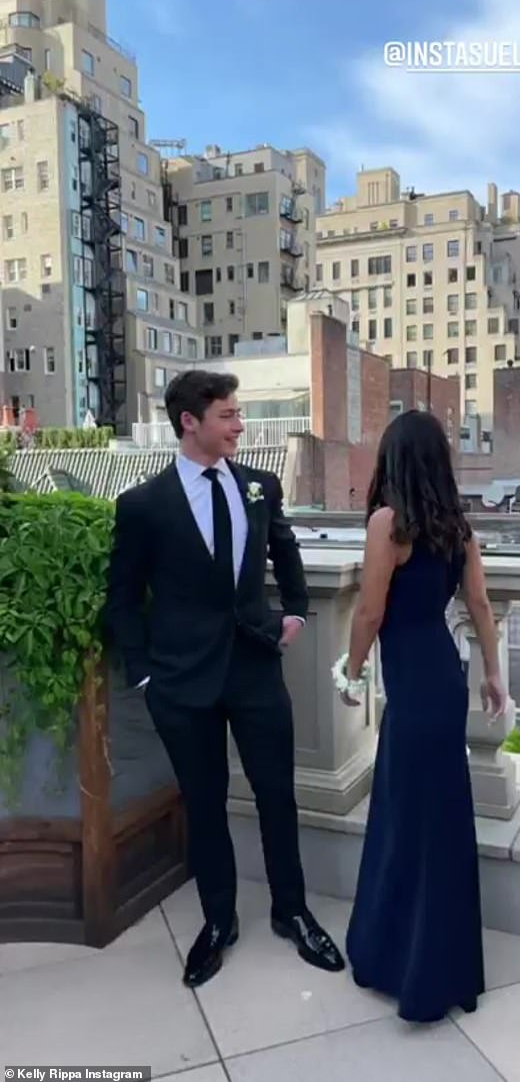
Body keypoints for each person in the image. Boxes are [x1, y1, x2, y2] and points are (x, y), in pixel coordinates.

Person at [105, 370, 344, 987]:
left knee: (276, 796)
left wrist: (294, 611)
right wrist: (143, 678)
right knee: (205, 806)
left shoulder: (260, 487)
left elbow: (285, 551)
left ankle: (292, 912)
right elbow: (124, 598)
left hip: (256, 668)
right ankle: (218, 922)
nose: (240, 425)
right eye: (229, 416)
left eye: (239, 415)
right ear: (191, 422)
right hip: (181, 683)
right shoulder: (143, 504)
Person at [336, 409, 506, 1023]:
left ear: (393, 460)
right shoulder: (457, 529)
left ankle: (399, 960)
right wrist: (493, 673)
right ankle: (445, 966)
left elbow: (370, 614)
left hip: (411, 684)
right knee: (441, 818)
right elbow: (480, 604)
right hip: (445, 674)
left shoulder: (388, 524)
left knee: (406, 816)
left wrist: (350, 670)